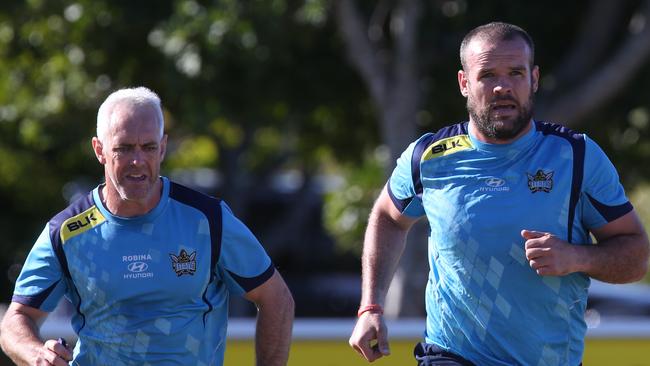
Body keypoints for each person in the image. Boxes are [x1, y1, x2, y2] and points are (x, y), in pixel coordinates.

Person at [349, 22, 650, 366]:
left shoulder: (577, 157)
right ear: (464, 83)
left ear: (534, 79)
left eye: (516, 73)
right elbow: (387, 217)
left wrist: (577, 258)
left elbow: (636, 257)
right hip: (451, 355)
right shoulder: (429, 157)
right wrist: (371, 306)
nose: (502, 87)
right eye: (488, 75)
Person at [0, 87, 295, 365]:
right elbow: (16, 319)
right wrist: (37, 353)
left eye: (149, 147)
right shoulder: (67, 231)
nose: (138, 161)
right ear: (99, 150)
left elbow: (276, 299)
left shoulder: (207, 219)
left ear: (163, 148)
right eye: (124, 148)